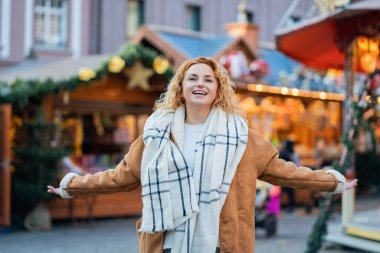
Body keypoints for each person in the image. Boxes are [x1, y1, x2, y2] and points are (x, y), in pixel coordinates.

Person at [48, 57, 358, 253]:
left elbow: (285, 171)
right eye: (193, 78)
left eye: (208, 79)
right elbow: (120, 177)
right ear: (180, 87)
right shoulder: (155, 136)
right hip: (168, 244)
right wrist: (72, 185)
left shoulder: (241, 137)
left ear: (218, 89)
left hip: (222, 244)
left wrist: (330, 181)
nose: (200, 84)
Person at [278, 139, 298, 212]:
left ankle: (278, 206)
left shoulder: (282, 153)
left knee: (282, 191)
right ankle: (291, 206)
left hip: (282, 176)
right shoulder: (292, 154)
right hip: (291, 175)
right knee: (290, 192)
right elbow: (298, 164)